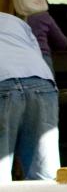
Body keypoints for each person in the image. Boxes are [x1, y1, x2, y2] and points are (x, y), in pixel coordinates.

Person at [0, 12, 61, 181]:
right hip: (40, 81)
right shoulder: (15, 21)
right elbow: (37, 52)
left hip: (2, 82)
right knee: (44, 173)